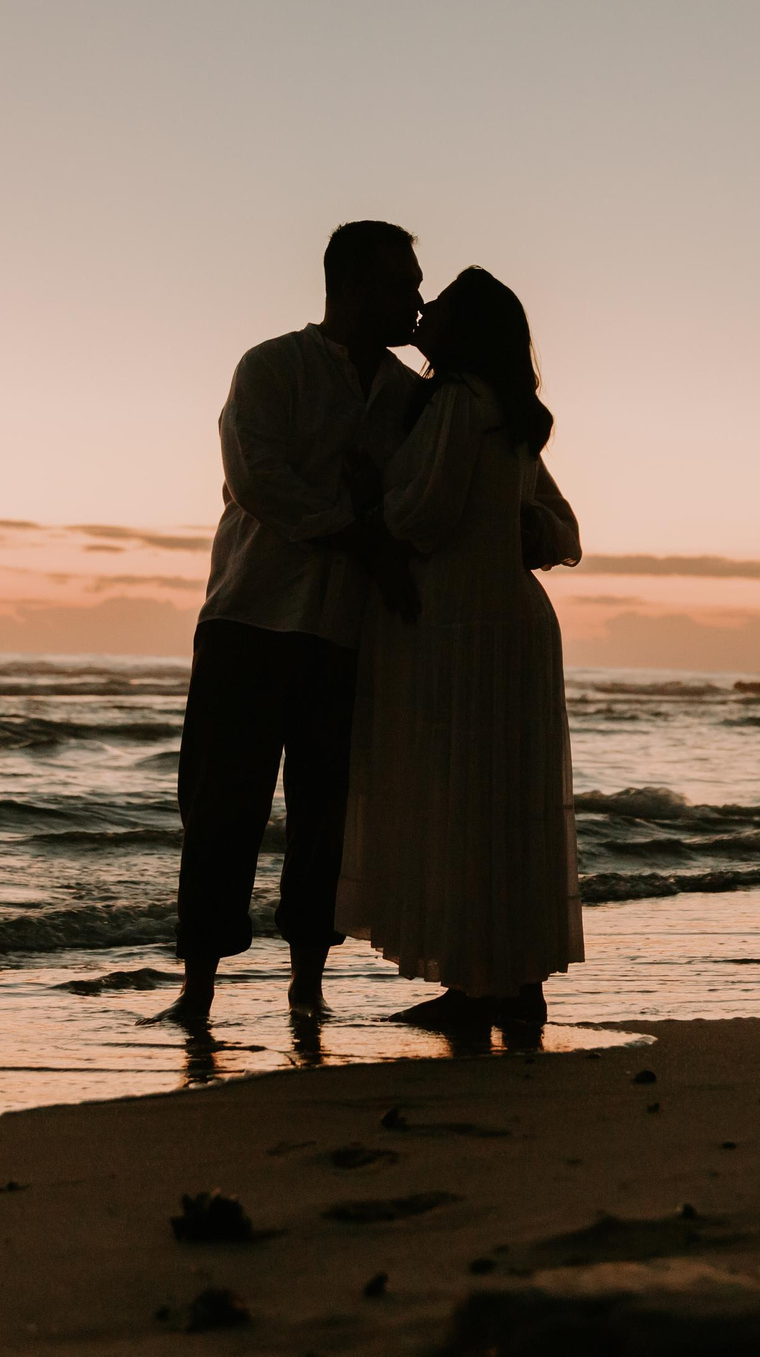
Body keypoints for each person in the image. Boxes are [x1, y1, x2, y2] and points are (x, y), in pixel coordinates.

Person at [169, 220, 423, 1025]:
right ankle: (198, 991)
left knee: (326, 816)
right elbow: (256, 478)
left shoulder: (409, 396)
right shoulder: (272, 365)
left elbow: (412, 499)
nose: (416, 301)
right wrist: (357, 528)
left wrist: (372, 523)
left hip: (345, 630)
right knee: (220, 809)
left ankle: (308, 986)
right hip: (251, 613)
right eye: (401, 285)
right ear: (350, 287)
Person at [337, 266, 585, 1025]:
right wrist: (511, 529)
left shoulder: (453, 401)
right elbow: (562, 529)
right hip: (512, 622)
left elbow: (422, 511)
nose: (425, 306)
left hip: (461, 624)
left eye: (439, 302)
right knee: (509, 804)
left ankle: (479, 988)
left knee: (461, 800)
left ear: (464, 327)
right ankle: (515, 984)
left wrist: (366, 487)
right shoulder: (507, 413)